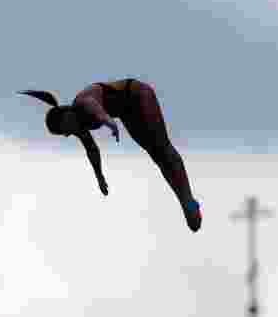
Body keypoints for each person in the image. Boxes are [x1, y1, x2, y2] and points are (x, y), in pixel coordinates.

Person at [20, 79, 202, 232]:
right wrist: (99, 177)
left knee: (162, 147)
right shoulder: (79, 126)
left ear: (67, 117)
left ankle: (188, 202)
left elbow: (95, 107)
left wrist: (107, 121)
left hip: (137, 94)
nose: (67, 135)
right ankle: (187, 202)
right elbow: (91, 149)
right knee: (156, 155)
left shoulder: (82, 102)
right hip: (127, 112)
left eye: (64, 131)